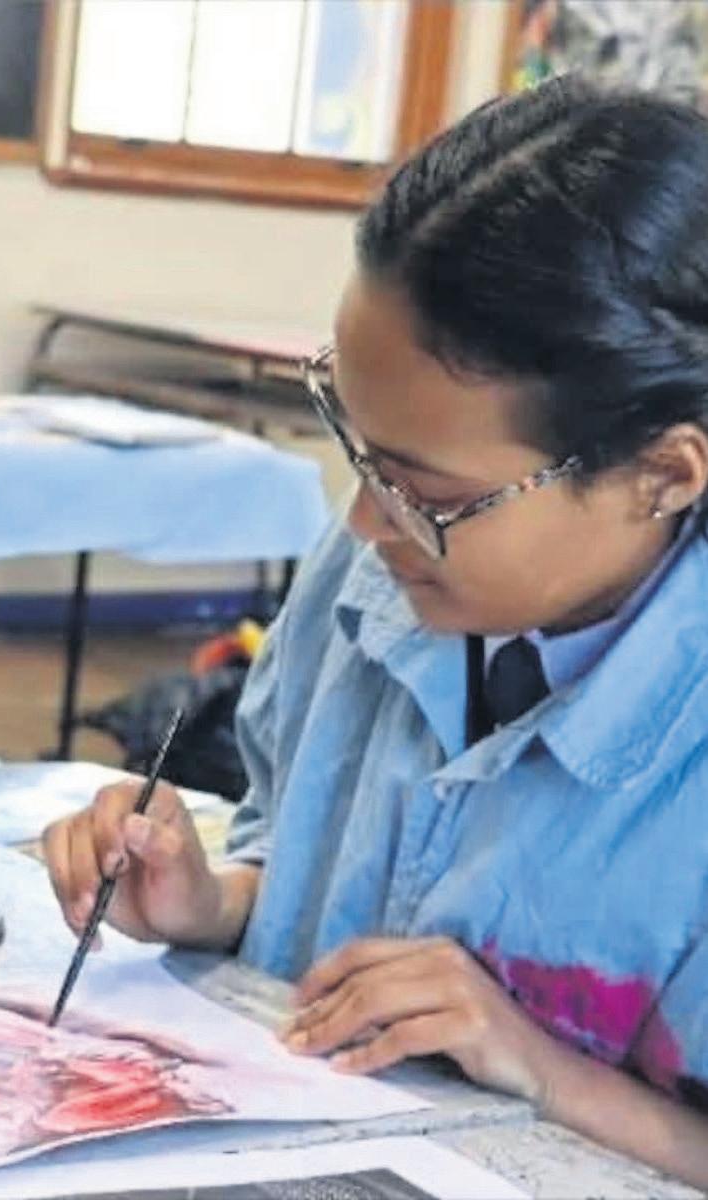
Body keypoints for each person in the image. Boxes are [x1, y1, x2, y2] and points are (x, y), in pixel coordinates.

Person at [43, 75, 708, 1185]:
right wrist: (210, 901)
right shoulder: (386, 564)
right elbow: (312, 859)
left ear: (664, 475)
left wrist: (541, 1067)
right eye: (357, 449)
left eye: (425, 491)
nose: (362, 523)